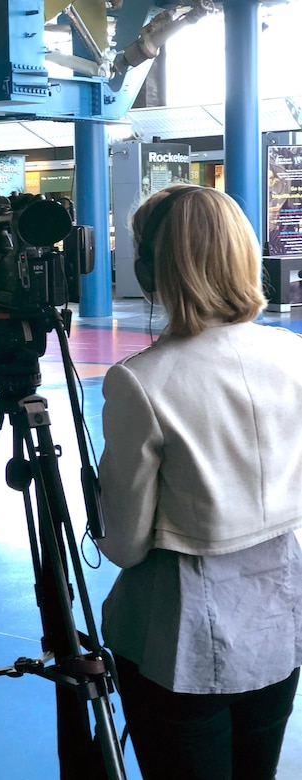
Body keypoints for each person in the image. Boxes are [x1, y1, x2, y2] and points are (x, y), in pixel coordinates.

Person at [97, 184, 302, 780]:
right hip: (280, 616)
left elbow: (126, 544)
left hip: (179, 636)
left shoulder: (141, 382)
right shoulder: (291, 355)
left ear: (149, 269)